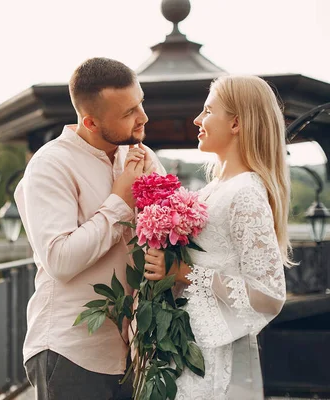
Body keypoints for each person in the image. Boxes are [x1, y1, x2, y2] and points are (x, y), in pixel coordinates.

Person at [15, 57, 165, 399]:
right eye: (128, 112)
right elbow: (60, 260)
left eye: (140, 102)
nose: (143, 117)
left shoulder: (143, 158)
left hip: (134, 352)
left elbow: (170, 233)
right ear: (91, 121)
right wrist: (120, 201)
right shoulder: (49, 165)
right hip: (70, 352)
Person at [143, 75, 289, 398]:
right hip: (185, 347)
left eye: (208, 111)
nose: (197, 120)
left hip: (213, 360)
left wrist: (183, 273)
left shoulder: (246, 194)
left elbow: (269, 293)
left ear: (236, 123)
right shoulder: (213, 190)